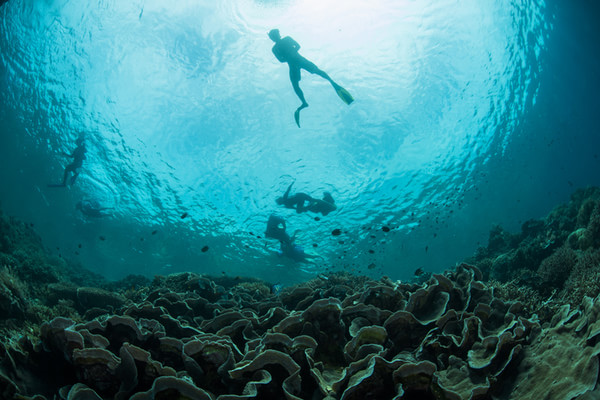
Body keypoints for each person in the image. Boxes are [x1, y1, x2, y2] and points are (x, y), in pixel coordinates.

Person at [268, 28, 354, 127]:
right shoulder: (279, 45)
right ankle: (309, 98)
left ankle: (307, 100)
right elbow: (295, 48)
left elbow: (284, 58)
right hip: (297, 61)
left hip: (295, 63)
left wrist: (289, 56)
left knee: (300, 81)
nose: (275, 37)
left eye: (274, 35)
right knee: (302, 80)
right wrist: (292, 52)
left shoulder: (278, 46)